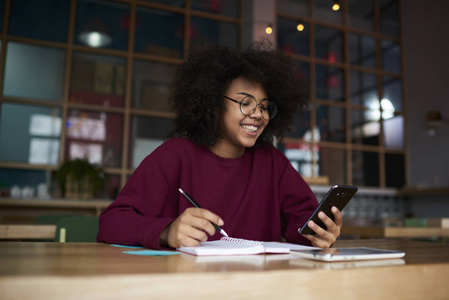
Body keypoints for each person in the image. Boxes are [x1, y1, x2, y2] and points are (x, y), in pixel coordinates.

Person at [97, 42, 342, 250]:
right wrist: (166, 231)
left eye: (265, 106)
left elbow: (301, 221)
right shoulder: (174, 156)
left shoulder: (272, 161)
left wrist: (319, 233)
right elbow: (111, 222)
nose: (258, 115)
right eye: (245, 102)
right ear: (214, 104)